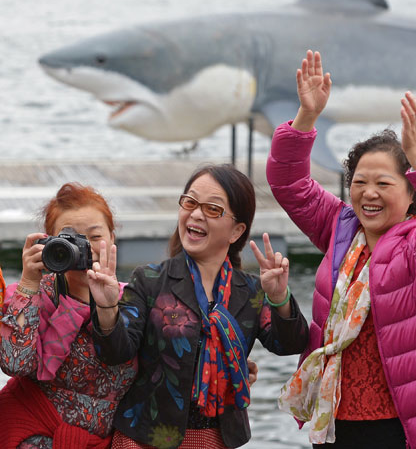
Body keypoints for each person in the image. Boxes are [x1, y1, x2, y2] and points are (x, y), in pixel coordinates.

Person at [268, 50, 416, 448]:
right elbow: (288, 184)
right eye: (360, 182)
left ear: (412, 193)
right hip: (334, 417)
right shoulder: (340, 228)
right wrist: (307, 117)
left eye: (383, 184)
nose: (369, 193)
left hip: (401, 423)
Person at [88, 164, 309, 449]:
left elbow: (290, 344)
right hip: (145, 438)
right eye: (190, 202)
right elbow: (115, 353)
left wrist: (279, 298)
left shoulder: (251, 291)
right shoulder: (150, 280)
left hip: (217, 438)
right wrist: (107, 307)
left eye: (213, 209)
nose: (196, 214)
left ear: (236, 231)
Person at [0, 182, 137, 449]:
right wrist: (28, 282)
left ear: (112, 237)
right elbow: (14, 364)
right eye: (69, 238)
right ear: (48, 243)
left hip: (108, 439)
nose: (84, 248)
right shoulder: (31, 295)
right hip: (33, 429)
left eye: (94, 237)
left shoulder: (135, 299)